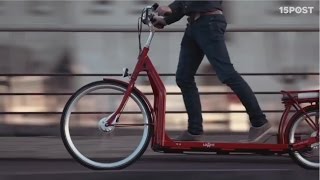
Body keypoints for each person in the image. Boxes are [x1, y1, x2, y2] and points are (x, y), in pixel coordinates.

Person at [152, 1, 272, 142]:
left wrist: (170, 9)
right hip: (194, 26)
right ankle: (194, 131)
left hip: (209, 23)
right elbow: (186, 4)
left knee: (227, 74)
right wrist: (165, 20)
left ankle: (260, 122)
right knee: (184, 78)